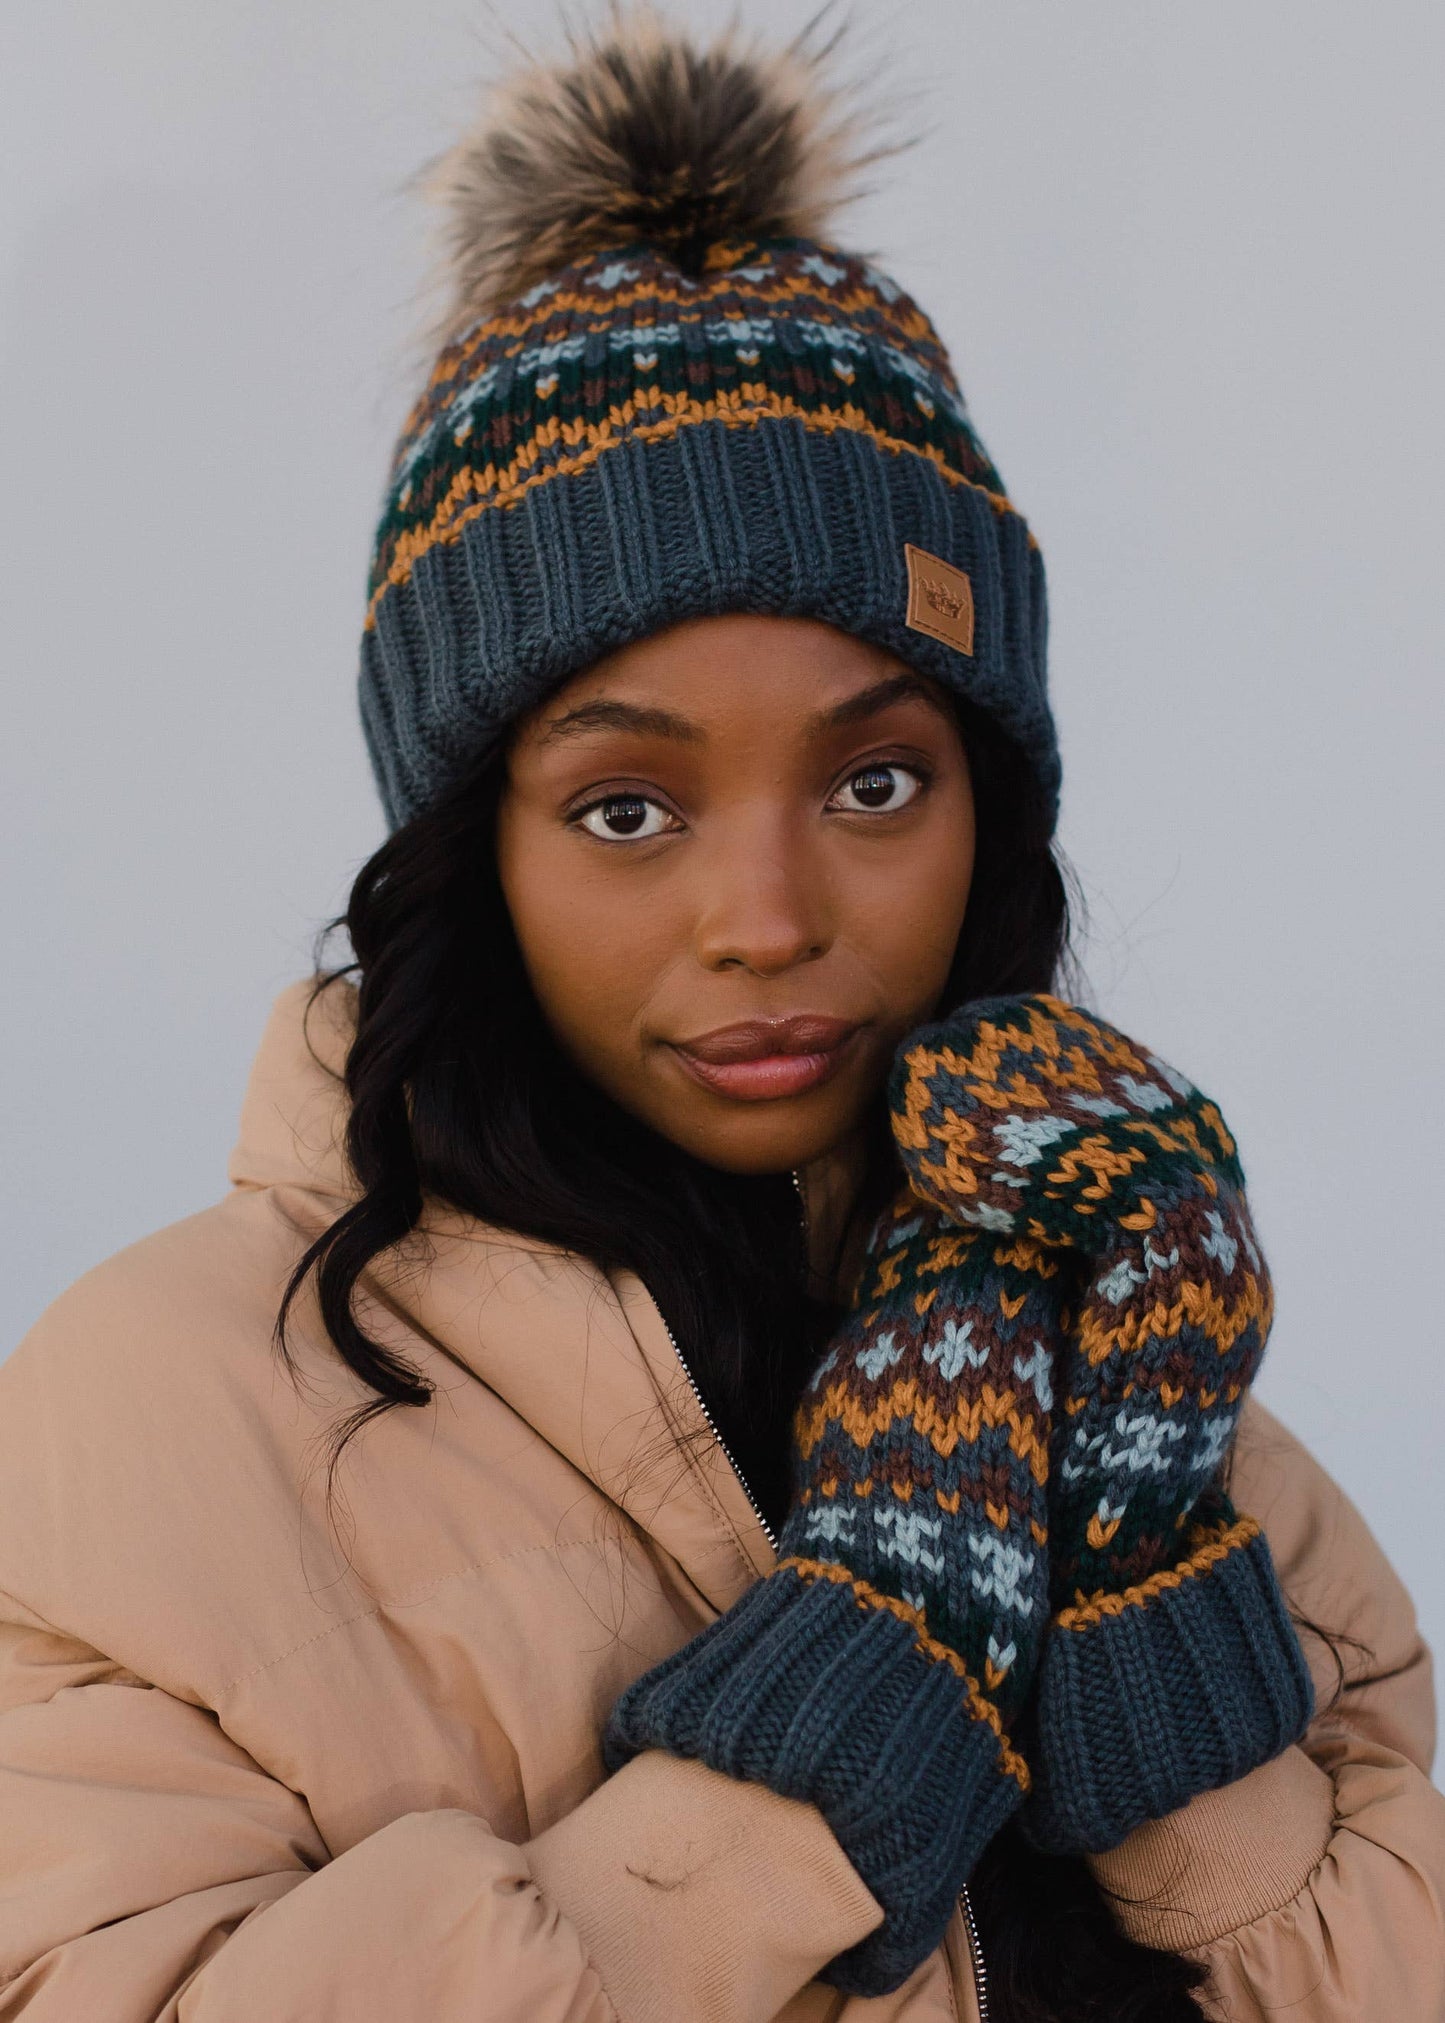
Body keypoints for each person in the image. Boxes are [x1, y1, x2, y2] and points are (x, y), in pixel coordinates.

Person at [0, 16, 1440, 2021]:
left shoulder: (1155, 1380)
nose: (767, 922)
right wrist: (800, 1788)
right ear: (475, 848)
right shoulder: (152, 1417)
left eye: (876, 782)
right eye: (627, 808)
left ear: (989, 808)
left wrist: (1164, 1664)